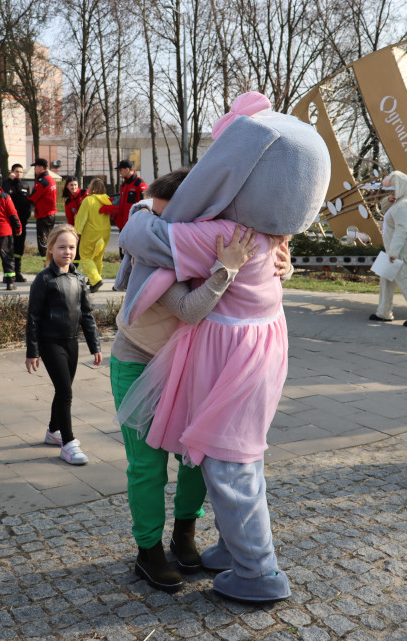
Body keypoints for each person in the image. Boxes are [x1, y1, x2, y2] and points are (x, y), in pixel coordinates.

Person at [117, 91, 330, 603]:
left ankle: (259, 572)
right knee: (233, 457)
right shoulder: (271, 234)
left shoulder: (226, 234)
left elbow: (141, 237)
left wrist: (146, 210)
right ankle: (236, 550)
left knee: (228, 463)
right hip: (263, 349)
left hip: (228, 357)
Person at [113, 168, 286, 592]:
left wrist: (280, 261)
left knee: (196, 459)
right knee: (147, 465)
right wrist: (224, 272)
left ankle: (185, 533)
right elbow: (189, 309)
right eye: (157, 216)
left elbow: (259, 260)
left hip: (188, 365)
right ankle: (148, 551)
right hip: (137, 361)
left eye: (171, 219)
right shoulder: (149, 249)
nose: (164, 227)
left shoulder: (200, 236)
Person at [25, 225, 102, 465]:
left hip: (71, 343)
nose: (67, 251)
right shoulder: (44, 279)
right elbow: (33, 317)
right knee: (66, 391)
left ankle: (52, 431)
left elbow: (87, 315)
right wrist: (32, 351)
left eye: (71, 247)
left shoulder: (79, 278)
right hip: (50, 343)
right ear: (50, 249)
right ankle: (68, 444)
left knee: (63, 389)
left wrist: (95, 345)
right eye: (62, 247)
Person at [369, 171, 407, 326]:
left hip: (398, 252)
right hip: (393, 251)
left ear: (402, 186)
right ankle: (383, 312)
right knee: (386, 281)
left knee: (404, 282)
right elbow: (385, 211)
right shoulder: (401, 202)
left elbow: (401, 231)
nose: (393, 190)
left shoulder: (404, 205)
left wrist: (393, 253)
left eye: (396, 187)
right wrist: (389, 199)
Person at [73, 177, 112, 293]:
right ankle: (95, 280)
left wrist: (76, 233)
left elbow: (81, 219)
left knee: (85, 256)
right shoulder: (107, 200)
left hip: (91, 233)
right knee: (98, 257)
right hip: (104, 233)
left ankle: (95, 280)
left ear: (92, 188)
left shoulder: (88, 200)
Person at [100, 160, 146, 234]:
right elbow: (122, 204)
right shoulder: (124, 184)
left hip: (133, 225)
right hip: (122, 225)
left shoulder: (139, 183)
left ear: (127, 170)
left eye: (120, 170)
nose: (119, 172)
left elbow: (144, 206)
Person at [7, 163, 32, 283]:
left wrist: (27, 215)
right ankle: (9, 274)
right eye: (16, 171)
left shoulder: (26, 185)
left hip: (22, 223)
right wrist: (9, 180)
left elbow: (28, 202)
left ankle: (18, 273)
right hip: (10, 223)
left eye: (21, 172)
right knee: (9, 248)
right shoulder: (8, 184)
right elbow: (3, 192)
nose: (19, 174)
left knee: (19, 248)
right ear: (12, 172)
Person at [29, 158, 58, 257]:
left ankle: (46, 262)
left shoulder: (42, 181)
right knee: (48, 239)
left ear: (41, 167)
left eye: (35, 167)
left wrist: (25, 197)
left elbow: (33, 197)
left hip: (44, 214)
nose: (34, 169)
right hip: (50, 213)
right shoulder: (50, 179)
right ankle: (49, 260)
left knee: (43, 242)